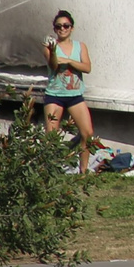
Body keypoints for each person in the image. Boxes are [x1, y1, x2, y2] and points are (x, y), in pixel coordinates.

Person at [40, 9, 97, 162]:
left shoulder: (80, 46)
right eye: (58, 27)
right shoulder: (50, 47)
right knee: (51, 137)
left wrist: (70, 61)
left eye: (66, 26)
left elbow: (87, 67)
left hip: (75, 96)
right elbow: (54, 66)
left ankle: (83, 172)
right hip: (55, 95)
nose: (62, 29)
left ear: (72, 28)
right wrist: (53, 53)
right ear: (54, 29)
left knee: (87, 133)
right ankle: (48, 171)